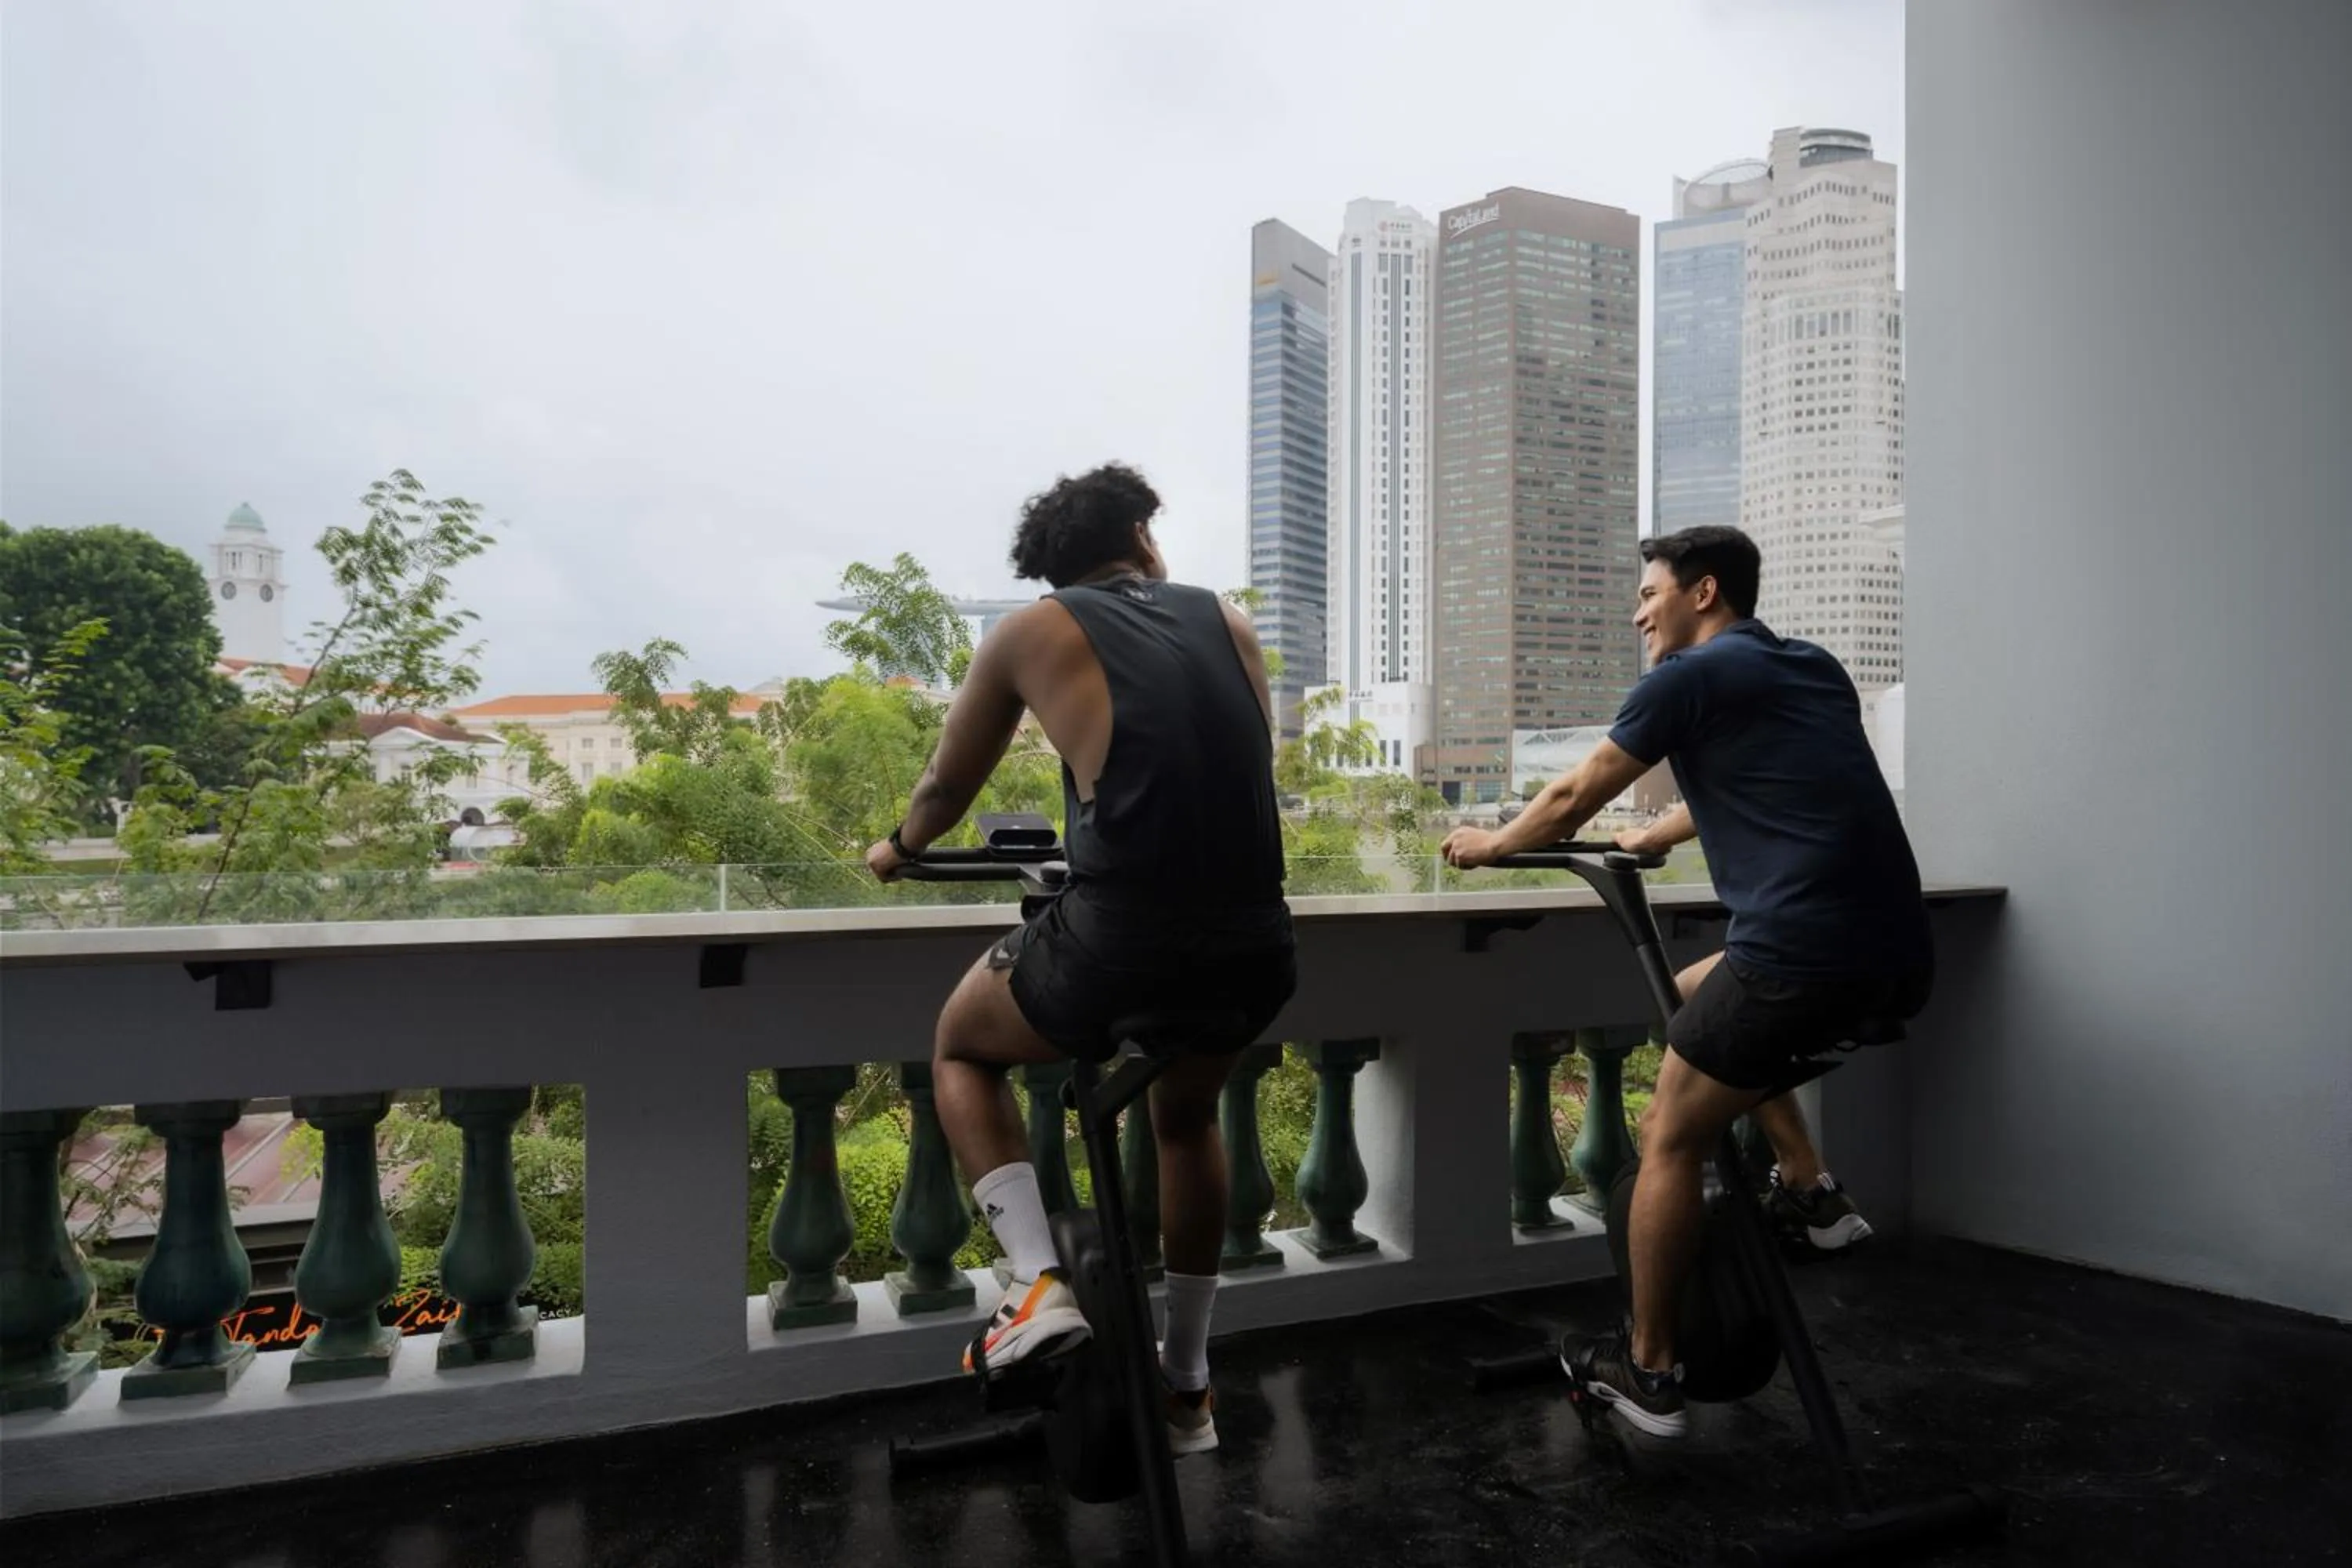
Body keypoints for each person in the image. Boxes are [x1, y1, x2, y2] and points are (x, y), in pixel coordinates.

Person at [1439, 524, 1930, 1440]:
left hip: (1798, 957)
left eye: (1649, 593)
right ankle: (1812, 1186)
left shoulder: (1687, 677)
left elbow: (1575, 791)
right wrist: (1652, 839)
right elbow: (1769, 785)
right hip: (1894, 953)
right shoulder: (1810, 666)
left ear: (1704, 592)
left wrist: (1493, 844)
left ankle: (1650, 1369)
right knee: (1697, 994)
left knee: (1670, 1131)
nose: (1638, 614)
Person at [866, 462, 1296, 1457]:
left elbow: (944, 785)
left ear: (1051, 571)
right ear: (1143, 537)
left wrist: (898, 849)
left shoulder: (1027, 631)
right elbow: (1232, 764)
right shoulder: (1228, 619)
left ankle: (1034, 1282)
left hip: (1124, 939)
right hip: (1255, 941)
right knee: (1183, 1117)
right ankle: (1188, 1386)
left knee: (962, 1047)